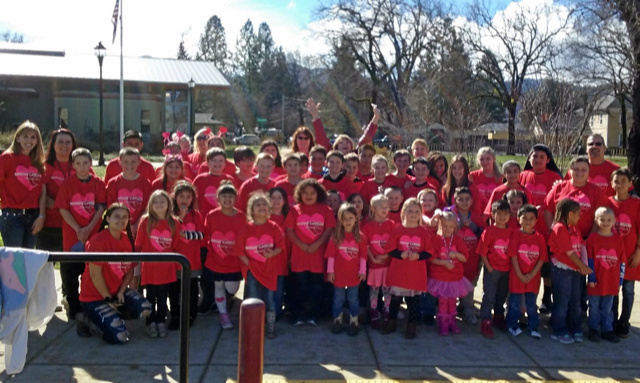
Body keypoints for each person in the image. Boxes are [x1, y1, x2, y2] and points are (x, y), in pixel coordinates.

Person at [78, 203, 152, 343]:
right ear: (108, 219)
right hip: (94, 297)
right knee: (120, 338)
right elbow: (95, 274)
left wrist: (121, 292)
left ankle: (112, 316)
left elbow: (129, 270)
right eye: (117, 216)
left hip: (115, 292)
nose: (121, 220)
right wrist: (108, 299)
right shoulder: (98, 241)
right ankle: (87, 320)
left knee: (145, 308)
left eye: (125, 217)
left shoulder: (125, 240)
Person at [55, 148, 107, 320]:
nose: (82, 167)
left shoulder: (98, 183)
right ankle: (74, 307)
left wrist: (88, 228)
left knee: (91, 271)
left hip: (93, 234)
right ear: (73, 165)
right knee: (71, 273)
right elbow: (63, 209)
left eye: (85, 163)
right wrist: (78, 229)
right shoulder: (67, 184)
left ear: (90, 164)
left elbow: (100, 208)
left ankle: (90, 304)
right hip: (73, 235)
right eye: (78, 163)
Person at [284, 179, 336, 326]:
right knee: (299, 286)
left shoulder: (325, 210)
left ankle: (314, 315)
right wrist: (302, 245)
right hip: (299, 256)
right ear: (300, 194)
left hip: (318, 255)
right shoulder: (295, 210)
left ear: (318, 193)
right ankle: (298, 315)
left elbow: (329, 229)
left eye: (312, 193)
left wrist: (316, 245)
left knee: (317, 286)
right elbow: (289, 230)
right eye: (305, 193)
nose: (308, 196)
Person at [380, 198, 433, 339]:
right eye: (410, 210)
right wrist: (400, 253)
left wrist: (418, 255)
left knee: (413, 302)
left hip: (415, 274)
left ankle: (411, 325)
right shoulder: (398, 230)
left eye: (417, 211)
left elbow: (429, 251)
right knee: (395, 300)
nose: (413, 214)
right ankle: (391, 322)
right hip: (399, 272)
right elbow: (389, 249)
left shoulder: (423, 232)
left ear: (421, 214)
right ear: (403, 212)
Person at [235, 192, 285, 339]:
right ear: (251, 210)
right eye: (257, 204)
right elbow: (239, 250)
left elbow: (280, 246)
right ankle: (253, 327)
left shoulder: (273, 227)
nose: (261, 207)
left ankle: (270, 326)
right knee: (253, 299)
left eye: (264, 204)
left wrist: (273, 253)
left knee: (270, 299)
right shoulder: (246, 228)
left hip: (269, 271)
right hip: (252, 272)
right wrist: (249, 264)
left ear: (269, 208)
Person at [520, 144, 563, 312]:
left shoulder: (556, 177)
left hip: (547, 229)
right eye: (534, 156)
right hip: (526, 229)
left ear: (548, 160)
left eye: (541, 157)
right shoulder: (523, 176)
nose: (537, 159)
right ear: (529, 159)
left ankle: (546, 297)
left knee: (546, 268)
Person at [135, 190, 182, 338]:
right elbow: (139, 243)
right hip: (150, 267)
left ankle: (161, 321)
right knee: (150, 296)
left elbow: (175, 244)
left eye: (162, 201)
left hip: (166, 268)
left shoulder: (173, 222)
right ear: (150, 205)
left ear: (169, 204)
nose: (159, 205)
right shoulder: (146, 221)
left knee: (163, 297)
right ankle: (150, 323)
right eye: (155, 202)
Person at [200, 182, 245, 329]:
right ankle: (223, 314)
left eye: (230, 196)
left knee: (231, 288)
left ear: (235, 198)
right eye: (224, 196)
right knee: (218, 286)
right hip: (215, 260)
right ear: (218, 199)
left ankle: (226, 301)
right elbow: (206, 234)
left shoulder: (241, 216)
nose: (227, 199)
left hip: (233, 262)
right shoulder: (212, 215)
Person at [548, 199, 593, 344]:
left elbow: (581, 246)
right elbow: (569, 252)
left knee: (576, 301)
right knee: (562, 301)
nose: (580, 217)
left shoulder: (575, 228)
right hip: (563, 270)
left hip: (576, 270)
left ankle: (575, 328)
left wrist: (584, 266)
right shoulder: (559, 228)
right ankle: (558, 329)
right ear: (570, 214)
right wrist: (582, 266)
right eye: (578, 214)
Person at [0, 120, 47, 248]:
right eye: (25, 136)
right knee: (15, 261)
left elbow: (43, 193)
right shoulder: (7, 158)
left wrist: (41, 216)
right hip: (12, 217)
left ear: (37, 141)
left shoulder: (38, 163)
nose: (29, 140)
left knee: (28, 258)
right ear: (18, 138)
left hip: (33, 217)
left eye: (33, 137)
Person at [505, 204, 547, 339]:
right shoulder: (516, 235)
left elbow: (541, 259)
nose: (528, 221)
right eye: (525, 218)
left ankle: (533, 327)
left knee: (531, 304)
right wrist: (520, 275)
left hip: (532, 279)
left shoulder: (540, 238)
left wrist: (531, 274)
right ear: (518, 219)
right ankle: (512, 325)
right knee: (515, 303)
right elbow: (513, 256)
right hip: (517, 277)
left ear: (536, 220)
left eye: (531, 218)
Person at [429, 211, 474, 336]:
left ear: (455, 226)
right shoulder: (436, 240)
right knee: (443, 302)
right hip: (440, 278)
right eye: (444, 226)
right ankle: (443, 324)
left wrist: (457, 255)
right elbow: (431, 258)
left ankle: (452, 323)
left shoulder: (458, 240)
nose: (447, 229)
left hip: (455, 278)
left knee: (452, 302)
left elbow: (465, 257)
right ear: (440, 225)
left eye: (450, 226)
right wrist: (444, 263)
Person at [607, 168, 640, 337]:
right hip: (611, 255)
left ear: (630, 184)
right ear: (611, 183)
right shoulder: (607, 203)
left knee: (628, 289)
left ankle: (624, 322)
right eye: (616, 181)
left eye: (623, 182)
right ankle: (611, 322)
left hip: (630, 254)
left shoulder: (636, 204)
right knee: (613, 289)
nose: (619, 185)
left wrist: (638, 252)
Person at [326, 203, 367, 336]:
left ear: (356, 218)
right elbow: (331, 256)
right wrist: (330, 271)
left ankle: (353, 321)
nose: (348, 221)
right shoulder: (336, 237)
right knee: (338, 298)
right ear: (340, 220)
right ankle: (337, 319)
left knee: (353, 299)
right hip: (338, 274)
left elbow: (363, 256)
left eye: (350, 218)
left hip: (354, 275)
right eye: (344, 218)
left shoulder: (360, 237)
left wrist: (362, 271)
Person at [168, 181, 205, 330]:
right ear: (175, 197)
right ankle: (175, 315)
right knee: (174, 290)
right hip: (174, 261)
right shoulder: (170, 215)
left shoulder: (196, 215)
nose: (185, 200)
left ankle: (191, 314)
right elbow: (170, 234)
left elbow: (201, 234)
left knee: (191, 290)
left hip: (192, 260)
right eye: (181, 196)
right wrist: (180, 218)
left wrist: (184, 234)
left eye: (188, 197)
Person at [586, 207, 625, 343]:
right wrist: (591, 277)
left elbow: (622, 262)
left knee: (608, 308)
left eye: (609, 219)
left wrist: (620, 280)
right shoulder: (592, 239)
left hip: (611, 281)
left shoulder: (618, 240)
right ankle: (594, 330)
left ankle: (607, 330)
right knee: (594, 306)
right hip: (596, 281)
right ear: (596, 221)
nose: (606, 222)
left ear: (614, 221)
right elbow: (589, 260)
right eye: (602, 219)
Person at [544, 157, 608, 240]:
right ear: (570, 171)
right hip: (560, 237)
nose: (580, 172)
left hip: (585, 238)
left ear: (589, 172)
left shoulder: (596, 191)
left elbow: (599, 216)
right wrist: (552, 230)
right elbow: (547, 210)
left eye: (583, 170)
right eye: (576, 169)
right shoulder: (558, 188)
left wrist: (590, 238)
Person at [37, 128, 79, 252]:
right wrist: (62, 208)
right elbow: (40, 194)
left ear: (73, 145)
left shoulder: (81, 166)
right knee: (44, 268)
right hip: (48, 226)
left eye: (68, 142)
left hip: (73, 227)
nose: (64, 145)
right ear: (53, 144)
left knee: (69, 269)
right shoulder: (44, 167)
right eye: (60, 142)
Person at [477, 200, 512, 338]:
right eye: (499, 214)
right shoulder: (489, 231)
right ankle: (486, 321)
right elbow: (482, 251)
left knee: (501, 295)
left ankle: (498, 317)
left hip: (506, 270)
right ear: (492, 214)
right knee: (489, 296)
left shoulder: (512, 232)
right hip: (492, 270)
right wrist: (489, 267)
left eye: (505, 214)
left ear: (510, 215)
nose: (502, 217)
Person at [453, 187, 486, 324]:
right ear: (455, 200)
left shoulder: (476, 217)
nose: (464, 202)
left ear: (472, 201)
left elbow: (484, 235)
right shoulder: (451, 215)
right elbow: (445, 233)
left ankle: (467, 308)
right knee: (453, 283)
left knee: (469, 284)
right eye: (461, 199)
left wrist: (472, 225)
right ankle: (450, 309)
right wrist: (459, 225)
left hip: (472, 258)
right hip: (455, 259)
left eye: (467, 199)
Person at [362, 194, 394, 330]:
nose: (385, 209)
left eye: (387, 207)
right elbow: (365, 245)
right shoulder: (368, 226)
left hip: (387, 264)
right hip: (374, 264)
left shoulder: (391, 225)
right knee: (374, 290)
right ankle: (374, 311)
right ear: (374, 208)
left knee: (387, 290)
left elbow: (394, 243)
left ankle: (387, 310)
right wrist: (372, 258)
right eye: (382, 206)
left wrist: (387, 255)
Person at [106, 148, 152, 235]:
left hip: (139, 228)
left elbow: (147, 208)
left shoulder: (146, 183)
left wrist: (136, 225)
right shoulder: (113, 183)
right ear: (120, 162)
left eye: (133, 161)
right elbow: (111, 207)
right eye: (126, 161)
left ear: (139, 162)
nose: (129, 165)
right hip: (118, 228)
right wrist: (123, 225)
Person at [306, 98, 379, 152]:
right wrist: (315, 116)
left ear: (351, 146)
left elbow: (365, 139)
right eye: (341, 143)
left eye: (347, 142)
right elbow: (322, 139)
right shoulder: (331, 155)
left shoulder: (356, 155)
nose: (344, 144)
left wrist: (375, 118)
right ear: (336, 147)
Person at [193, 147, 235, 216]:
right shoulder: (200, 179)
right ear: (207, 163)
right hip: (203, 217)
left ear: (225, 163)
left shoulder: (229, 180)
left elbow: (234, 200)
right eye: (214, 160)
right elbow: (194, 201)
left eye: (221, 160)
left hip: (223, 217)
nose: (217, 163)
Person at [268, 187, 290, 318]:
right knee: (269, 291)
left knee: (279, 290)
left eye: (279, 198)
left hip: (282, 260)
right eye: (273, 198)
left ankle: (277, 312)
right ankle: (269, 314)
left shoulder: (288, 217)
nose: (276, 201)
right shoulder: (264, 217)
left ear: (284, 201)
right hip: (267, 262)